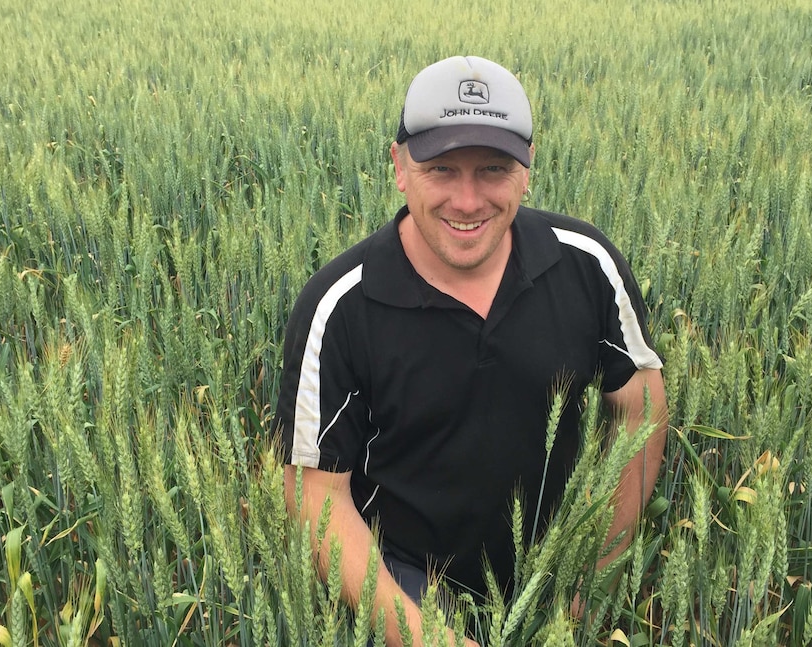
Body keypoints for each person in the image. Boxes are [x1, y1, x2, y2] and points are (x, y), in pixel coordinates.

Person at [273, 55, 668, 647]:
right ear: (399, 167)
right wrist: (424, 636)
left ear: (528, 168)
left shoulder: (587, 263)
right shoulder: (339, 306)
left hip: (556, 565)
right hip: (404, 582)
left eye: (493, 168)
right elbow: (313, 493)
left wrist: (597, 574)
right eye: (440, 169)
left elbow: (641, 406)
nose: (467, 200)